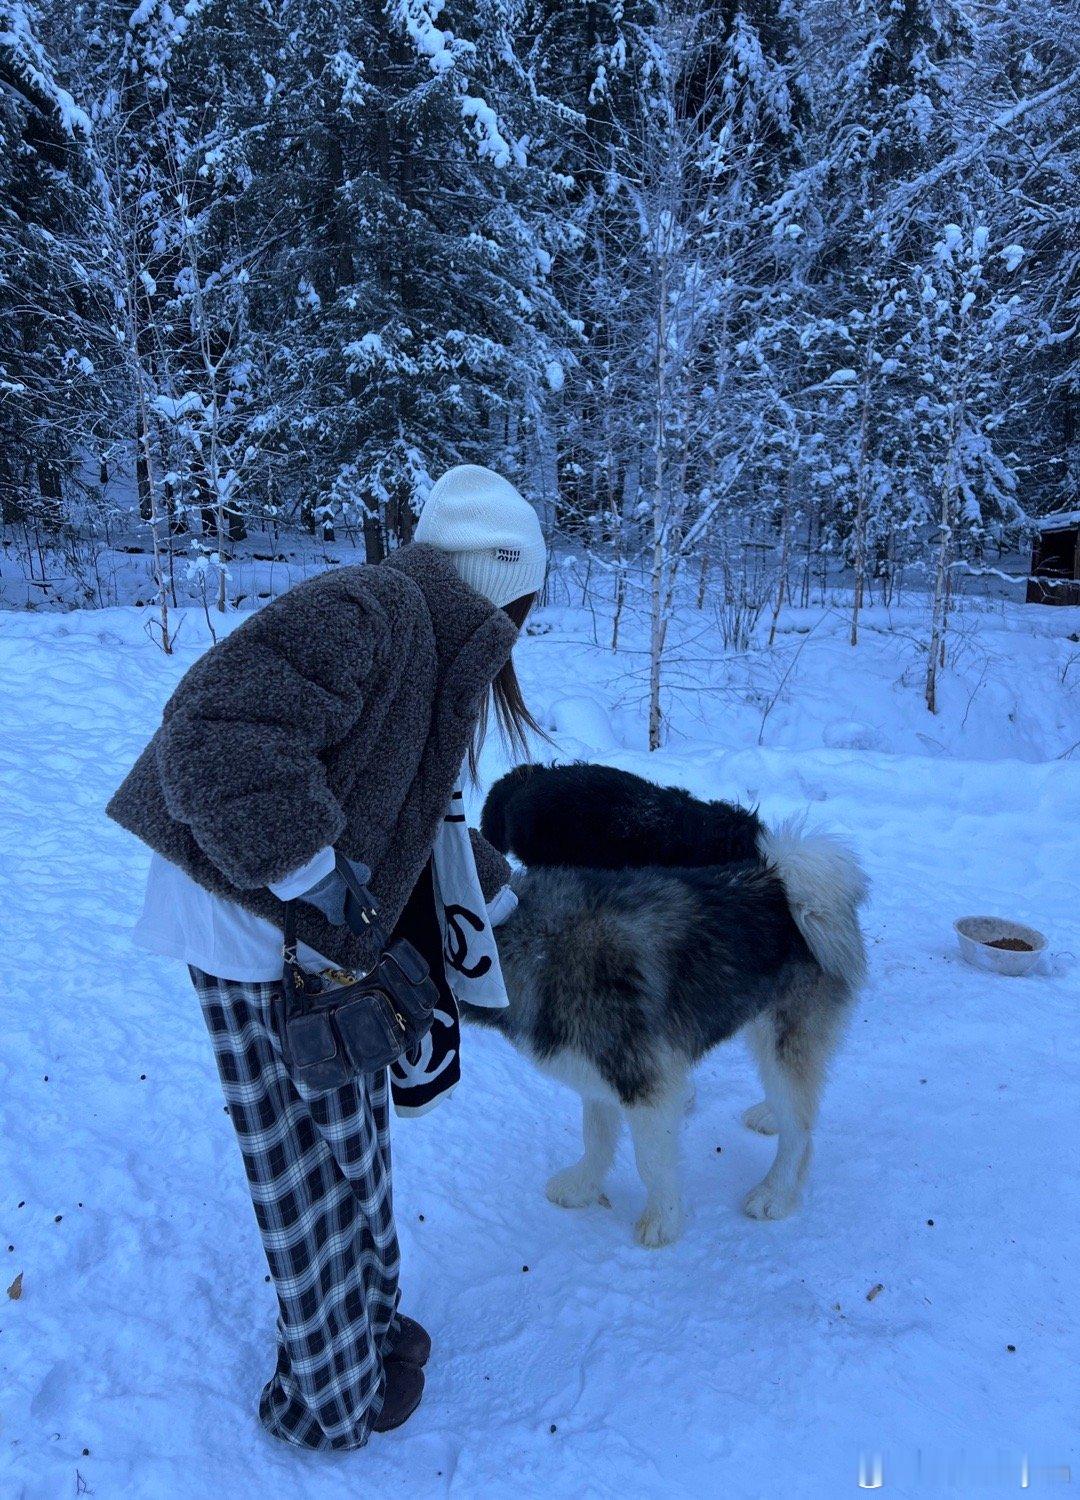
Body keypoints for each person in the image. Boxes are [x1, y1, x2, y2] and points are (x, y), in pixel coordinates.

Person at [107, 465, 547, 1450]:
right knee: (300, 1161)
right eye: (524, 607)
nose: (524, 633)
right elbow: (210, 735)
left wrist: (512, 892)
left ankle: (371, 1326)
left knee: (354, 1131)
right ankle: (323, 1402)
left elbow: (419, 815)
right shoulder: (369, 608)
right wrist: (308, 868)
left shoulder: (433, 648)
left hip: (312, 924)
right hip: (238, 907)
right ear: (498, 583)